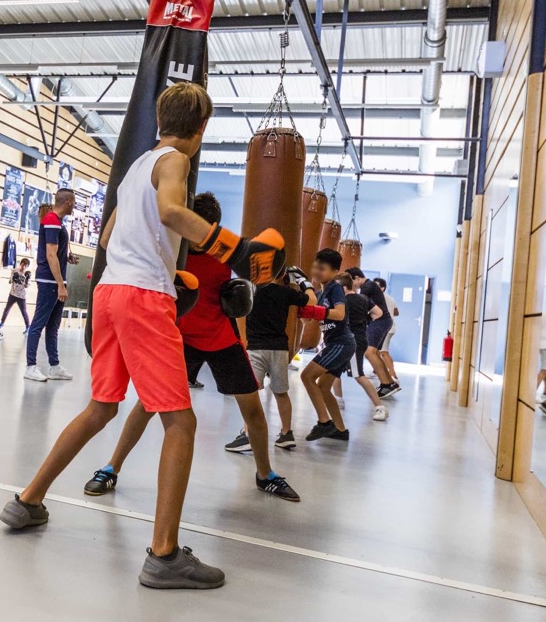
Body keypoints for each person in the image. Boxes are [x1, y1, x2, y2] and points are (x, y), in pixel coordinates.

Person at [0, 82, 287, 589]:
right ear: (201, 128)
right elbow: (173, 212)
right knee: (180, 422)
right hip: (141, 298)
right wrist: (233, 250)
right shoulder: (176, 160)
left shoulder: (137, 167)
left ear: (160, 119)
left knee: (101, 408)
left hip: (109, 293)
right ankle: (164, 555)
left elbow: (109, 236)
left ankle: (27, 501)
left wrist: (167, 271)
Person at [83, 192, 300, 503]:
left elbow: (253, 276)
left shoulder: (226, 253)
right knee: (147, 405)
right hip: (179, 339)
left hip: (220, 338)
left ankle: (265, 475)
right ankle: (111, 468)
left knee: (252, 409)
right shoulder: (172, 250)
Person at [225, 270, 308, 452]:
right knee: (281, 393)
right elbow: (311, 300)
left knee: (250, 392)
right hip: (280, 349)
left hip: (256, 348)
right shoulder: (287, 292)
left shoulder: (251, 289)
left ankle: (248, 435)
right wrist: (303, 281)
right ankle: (286, 434)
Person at [299, 249, 354, 442]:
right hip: (337, 343)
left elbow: (339, 314)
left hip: (341, 343)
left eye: (322, 269)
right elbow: (308, 320)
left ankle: (324, 423)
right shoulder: (319, 293)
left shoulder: (335, 288)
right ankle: (340, 430)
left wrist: (316, 311)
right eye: (316, 267)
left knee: (306, 376)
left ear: (334, 271)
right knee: (323, 386)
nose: (317, 271)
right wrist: (301, 307)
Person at [24, 188, 76, 382]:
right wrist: (60, 284)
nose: (74, 206)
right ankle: (30, 366)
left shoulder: (57, 222)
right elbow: (50, 255)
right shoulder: (52, 220)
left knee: (53, 326)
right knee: (38, 323)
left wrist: (66, 257)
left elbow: (55, 251)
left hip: (56, 280)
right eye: (74, 203)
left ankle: (54, 366)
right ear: (68, 202)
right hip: (50, 281)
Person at [336, 274, 387, 422]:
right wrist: (366, 320)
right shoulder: (364, 298)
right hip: (358, 337)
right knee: (333, 370)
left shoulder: (343, 301)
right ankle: (338, 400)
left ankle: (380, 407)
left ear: (343, 288)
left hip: (352, 341)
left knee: (358, 375)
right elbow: (379, 313)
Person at [346, 268, 400, 397]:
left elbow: (363, 306)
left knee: (369, 352)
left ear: (357, 278)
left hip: (379, 321)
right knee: (375, 353)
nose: (352, 285)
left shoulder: (367, 287)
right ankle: (389, 383)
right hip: (384, 321)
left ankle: (386, 385)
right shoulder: (370, 285)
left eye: (351, 281)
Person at [374, 277, 399, 383]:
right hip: (386, 328)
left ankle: (393, 375)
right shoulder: (390, 298)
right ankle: (377, 371)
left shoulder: (378, 298)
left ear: (383, 288)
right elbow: (396, 312)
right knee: (376, 351)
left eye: (376, 286)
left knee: (384, 352)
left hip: (385, 329)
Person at [0, 257, 31, 331]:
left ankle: (27, 327)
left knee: (24, 312)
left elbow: (27, 286)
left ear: (27, 267)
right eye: (23, 265)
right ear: (20, 264)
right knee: (6, 309)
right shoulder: (14, 271)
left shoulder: (27, 274)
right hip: (13, 294)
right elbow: (10, 281)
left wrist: (26, 280)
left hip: (22, 296)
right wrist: (13, 278)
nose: (23, 267)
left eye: (25, 266)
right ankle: (2, 323)